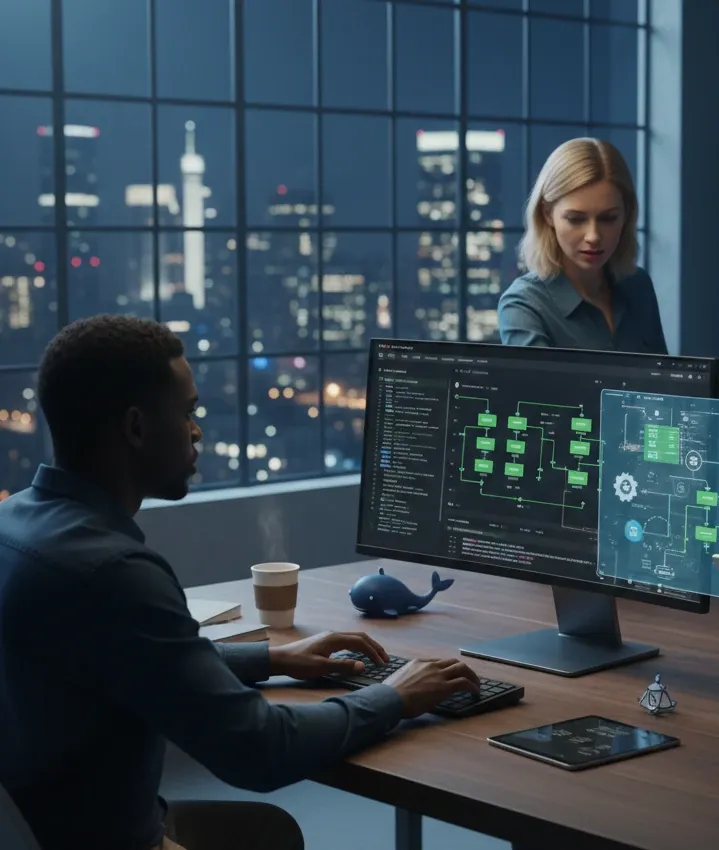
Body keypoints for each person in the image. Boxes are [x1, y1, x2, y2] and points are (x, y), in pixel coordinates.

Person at [0, 315, 482, 850]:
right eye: (187, 413)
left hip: (45, 823)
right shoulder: (115, 573)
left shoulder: (15, 524)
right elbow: (260, 751)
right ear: (136, 428)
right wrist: (394, 697)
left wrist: (273, 657)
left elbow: (127, 660)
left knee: (268, 834)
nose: (197, 430)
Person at [497, 137, 719, 394]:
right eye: (576, 219)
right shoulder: (523, 306)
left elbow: (660, 394)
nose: (593, 236)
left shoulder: (636, 284)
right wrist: (697, 383)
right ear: (547, 214)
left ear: (627, 215)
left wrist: (709, 385)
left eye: (608, 218)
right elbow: (547, 408)